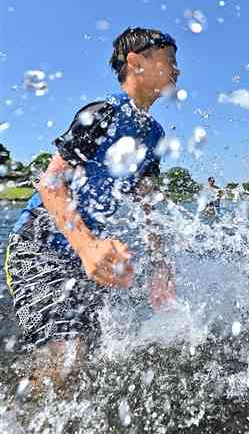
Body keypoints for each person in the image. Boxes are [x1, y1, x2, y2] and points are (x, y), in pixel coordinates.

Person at [4, 27, 179, 380]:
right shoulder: (103, 114)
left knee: (95, 361)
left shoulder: (155, 134)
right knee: (69, 355)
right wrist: (87, 248)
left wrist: (161, 266)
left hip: (84, 260)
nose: (177, 71)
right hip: (37, 248)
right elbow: (50, 183)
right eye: (170, 62)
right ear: (136, 62)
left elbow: (147, 205)